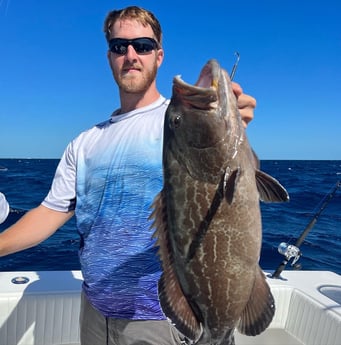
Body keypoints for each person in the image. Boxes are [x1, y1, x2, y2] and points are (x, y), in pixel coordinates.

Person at [0, 6, 256, 345]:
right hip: (95, 312)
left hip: (167, 319)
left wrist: (234, 125)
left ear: (159, 56)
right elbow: (50, 213)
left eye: (143, 46)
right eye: (120, 46)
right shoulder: (84, 143)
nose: (131, 55)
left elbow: (231, 182)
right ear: (109, 56)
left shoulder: (178, 121)